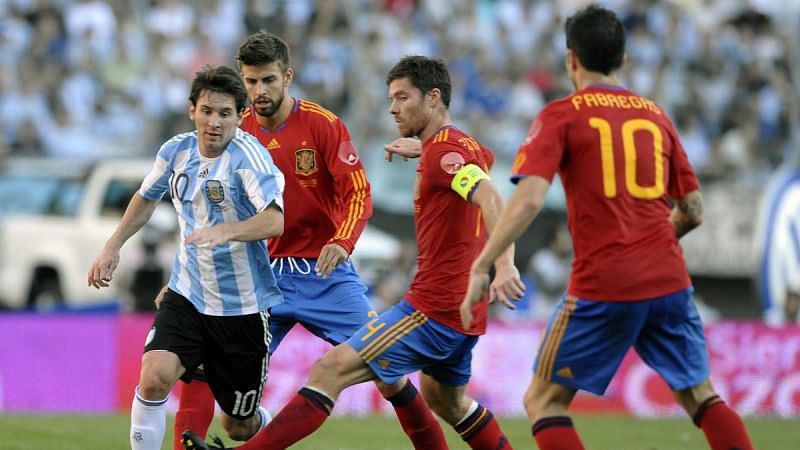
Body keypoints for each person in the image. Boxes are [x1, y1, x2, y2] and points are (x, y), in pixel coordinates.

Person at [182, 55, 524, 450]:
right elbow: (481, 160)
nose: (393, 108)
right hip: (464, 312)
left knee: (330, 370)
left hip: (432, 309)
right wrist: (426, 147)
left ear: (433, 98)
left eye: (402, 98)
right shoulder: (458, 146)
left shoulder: (441, 154)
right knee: (450, 403)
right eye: (391, 98)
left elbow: (493, 197)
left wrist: (503, 264)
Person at [461, 6, 755, 450]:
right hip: (669, 278)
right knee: (700, 395)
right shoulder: (655, 117)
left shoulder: (562, 115)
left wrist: (483, 264)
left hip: (605, 280)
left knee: (545, 402)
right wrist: (651, 243)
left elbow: (530, 199)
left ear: (571, 60)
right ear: (623, 59)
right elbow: (693, 208)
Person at [88, 65, 286, 450]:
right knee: (153, 376)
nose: (215, 122)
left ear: (240, 117)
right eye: (208, 111)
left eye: (225, 113)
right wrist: (113, 245)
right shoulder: (175, 151)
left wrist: (226, 230)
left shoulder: (250, 159)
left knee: (237, 425)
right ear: (192, 110)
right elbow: (146, 198)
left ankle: (266, 421)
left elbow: (274, 220)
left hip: (242, 308)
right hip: (188, 293)